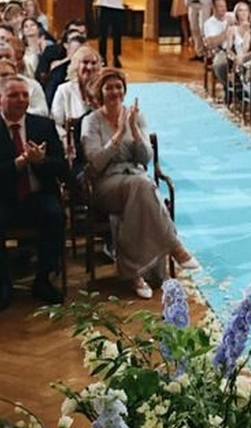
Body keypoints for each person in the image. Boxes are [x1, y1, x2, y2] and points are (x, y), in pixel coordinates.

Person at [79, 68, 196, 298]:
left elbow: (145, 158)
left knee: (141, 188)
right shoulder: (91, 121)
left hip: (136, 178)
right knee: (144, 186)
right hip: (105, 183)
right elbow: (95, 163)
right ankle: (174, 246)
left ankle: (135, 274)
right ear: (100, 92)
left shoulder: (136, 116)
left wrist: (133, 128)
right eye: (109, 88)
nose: (115, 92)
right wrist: (118, 135)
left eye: (118, 87)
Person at [0, 73, 69, 310]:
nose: (21, 100)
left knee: (55, 214)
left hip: (37, 195)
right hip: (0, 197)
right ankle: (4, 283)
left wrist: (41, 161)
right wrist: (18, 164)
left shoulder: (43, 125)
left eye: (25, 95)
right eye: (14, 95)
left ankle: (43, 280)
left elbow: (63, 168)